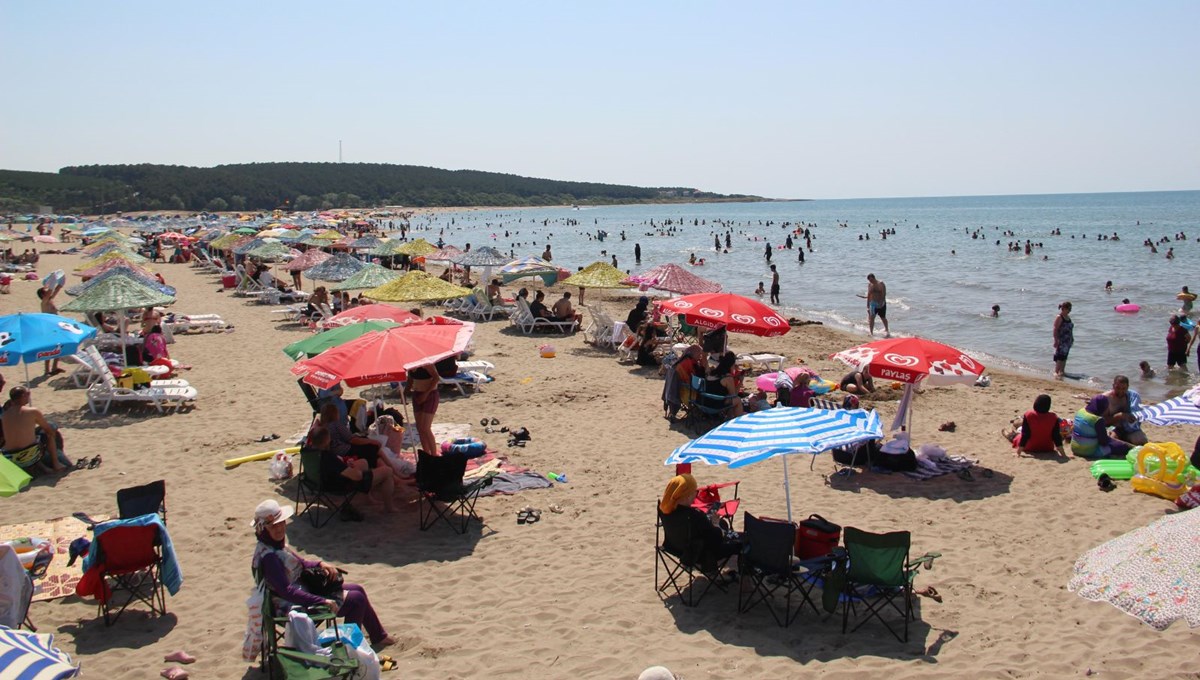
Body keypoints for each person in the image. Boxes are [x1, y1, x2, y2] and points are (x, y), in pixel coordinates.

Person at [249, 499, 396, 648]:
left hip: (298, 592)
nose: (279, 528)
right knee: (356, 600)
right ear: (263, 529)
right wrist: (321, 601)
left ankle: (378, 636)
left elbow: (302, 563)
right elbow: (286, 591)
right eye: (274, 526)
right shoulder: (270, 557)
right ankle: (349, 647)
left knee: (358, 589)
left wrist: (321, 564)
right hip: (290, 607)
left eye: (281, 523)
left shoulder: (273, 546)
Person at [658, 474, 741, 573]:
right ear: (687, 496)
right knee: (743, 543)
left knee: (722, 523)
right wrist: (715, 524)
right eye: (696, 492)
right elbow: (717, 539)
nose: (696, 495)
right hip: (700, 555)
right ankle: (745, 580)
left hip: (675, 548)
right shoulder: (695, 515)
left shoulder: (665, 510)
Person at [307, 427, 394, 516]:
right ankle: (389, 508)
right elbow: (357, 476)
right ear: (326, 440)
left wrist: (346, 464)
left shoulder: (309, 452)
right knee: (388, 471)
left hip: (319, 481)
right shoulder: (328, 457)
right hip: (339, 485)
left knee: (363, 462)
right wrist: (352, 468)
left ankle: (368, 499)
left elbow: (336, 467)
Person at [1, 386, 68, 473]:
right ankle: (56, 464)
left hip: (10, 457)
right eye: (28, 394)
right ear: (23, 395)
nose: (29, 396)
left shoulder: (5, 415)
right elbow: (48, 429)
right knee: (51, 428)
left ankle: (44, 467)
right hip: (30, 455)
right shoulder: (32, 411)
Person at [1071, 394, 1131, 459]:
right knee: (1122, 447)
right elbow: (1104, 442)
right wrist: (1123, 444)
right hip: (1088, 451)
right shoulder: (1097, 419)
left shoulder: (1081, 411)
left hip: (1075, 447)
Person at [406, 362, 440, 455]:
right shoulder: (410, 365)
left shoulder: (426, 364)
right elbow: (410, 380)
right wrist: (405, 393)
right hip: (417, 394)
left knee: (425, 427)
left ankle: (434, 454)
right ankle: (426, 453)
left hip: (430, 394)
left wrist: (426, 394)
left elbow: (436, 378)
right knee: (420, 427)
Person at [1103, 375, 1147, 446]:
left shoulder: (1133, 397)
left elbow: (1138, 417)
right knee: (1110, 442)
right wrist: (1120, 416)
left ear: (1128, 387)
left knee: (1141, 441)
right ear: (1113, 386)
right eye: (1117, 388)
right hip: (1114, 428)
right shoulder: (1106, 398)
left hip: (1130, 429)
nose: (1120, 391)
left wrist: (1133, 419)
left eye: (1123, 388)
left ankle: (1125, 440)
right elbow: (1103, 421)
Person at [36, 280, 65, 375]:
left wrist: (60, 283)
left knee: (59, 347)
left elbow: (56, 290)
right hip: (49, 328)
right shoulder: (44, 302)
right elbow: (50, 291)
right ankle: (47, 370)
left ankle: (54, 367)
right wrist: (52, 282)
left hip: (56, 327)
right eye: (46, 291)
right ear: (43, 295)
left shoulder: (50, 300)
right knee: (49, 348)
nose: (49, 291)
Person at [704, 352, 744, 419]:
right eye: (734, 365)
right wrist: (740, 381)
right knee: (737, 400)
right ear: (731, 366)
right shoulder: (728, 378)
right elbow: (734, 395)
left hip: (705, 402)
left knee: (728, 398)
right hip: (715, 405)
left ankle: (729, 418)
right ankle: (738, 422)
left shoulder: (712, 373)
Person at [1053, 301, 1074, 379]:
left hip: (1067, 341)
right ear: (1064, 309)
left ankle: (1062, 371)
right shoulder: (1059, 317)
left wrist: (1072, 338)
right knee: (1060, 356)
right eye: (1069, 309)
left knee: (1065, 357)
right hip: (1061, 340)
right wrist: (1055, 340)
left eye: (1070, 309)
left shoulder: (1068, 318)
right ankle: (1056, 371)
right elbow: (1055, 329)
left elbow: (1070, 329)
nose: (1070, 311)